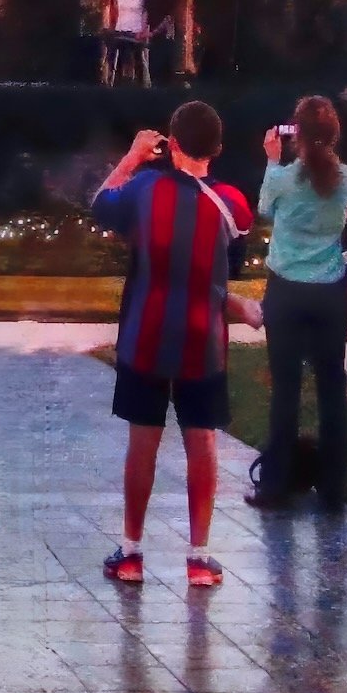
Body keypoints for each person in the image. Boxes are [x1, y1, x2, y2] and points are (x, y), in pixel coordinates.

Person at [91, 103, 252, 590]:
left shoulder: (144, 189)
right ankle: (199, 557)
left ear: (172, 144)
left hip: (146, 334)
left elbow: (100, 203)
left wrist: (135, 156)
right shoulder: (233, 206)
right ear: (218, 150)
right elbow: (230, 268)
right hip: (204, 340)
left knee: (144, 441)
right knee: (201, 440)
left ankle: (132, 552)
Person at [248, 96, 347, 512]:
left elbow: (263, 211)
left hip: (288, 289)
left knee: (286, 391)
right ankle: (333, 489)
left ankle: (275, 486)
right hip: (329, 290)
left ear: (297, 134)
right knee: (332, 388)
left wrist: (272, 160)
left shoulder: (283, 178)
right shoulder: (346, 177)